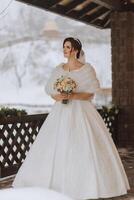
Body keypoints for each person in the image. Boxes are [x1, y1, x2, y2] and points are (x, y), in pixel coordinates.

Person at [12, 37, 130, 199]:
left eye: (67, 47)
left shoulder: (86, 69)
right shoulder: (59, 69)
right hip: (60, 112)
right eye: (64, 47)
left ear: (75, 50)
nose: (65, 50)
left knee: (83, 144)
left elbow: (90, 93)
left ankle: (88, 185)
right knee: (56, 144)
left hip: (82, 111)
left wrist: (73, 94)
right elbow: (52, 93)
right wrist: (61, 96)